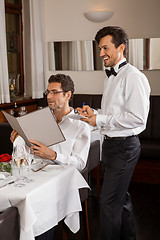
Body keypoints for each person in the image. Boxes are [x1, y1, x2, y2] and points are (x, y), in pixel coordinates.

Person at [77, 26, 151, 240]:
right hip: (109, 146)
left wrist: (100, 119)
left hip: (124, 148)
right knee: (120, 199)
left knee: (108, 203)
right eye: (100, 49)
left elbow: (137, 118)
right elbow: (114, 114)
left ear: (121, 47)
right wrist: (95, 114)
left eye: (105, 48)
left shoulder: (134, 77)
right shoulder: (110, 76)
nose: (101, 54)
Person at [10, 73, 91, 240]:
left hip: (61, 181)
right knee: (16, 202)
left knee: (40, 208)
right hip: (35, 176)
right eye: (47, 92)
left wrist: (53, 155)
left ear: (67, 95)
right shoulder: (39, 120)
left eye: (54, 92)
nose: (49, 96)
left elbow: (81, 164)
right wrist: (18, 140)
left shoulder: (80, 126)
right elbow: (24, 151)